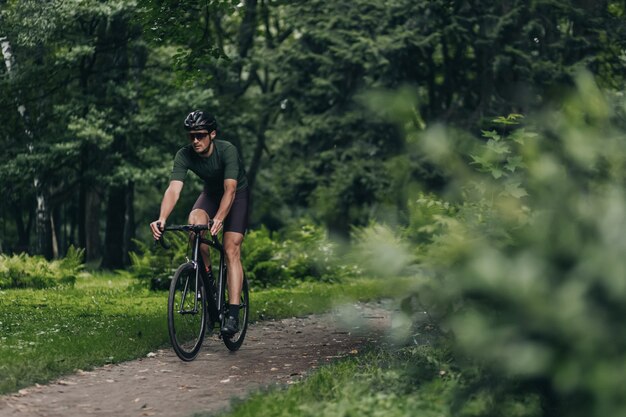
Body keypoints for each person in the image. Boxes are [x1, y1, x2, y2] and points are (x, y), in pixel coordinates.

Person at [150, 110, 250, 335]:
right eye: (191, 136)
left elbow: (230, 189)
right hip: (211, 195)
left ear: (212, 134)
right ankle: (209, 283)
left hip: (236, 195)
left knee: (230, 248)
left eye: (200, 135)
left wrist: (220, 219)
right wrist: (162, 218)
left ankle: (233, 314)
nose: (195, 140)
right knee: (194, 225)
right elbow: (174, 189)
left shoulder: (227, 150)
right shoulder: (184, 154)